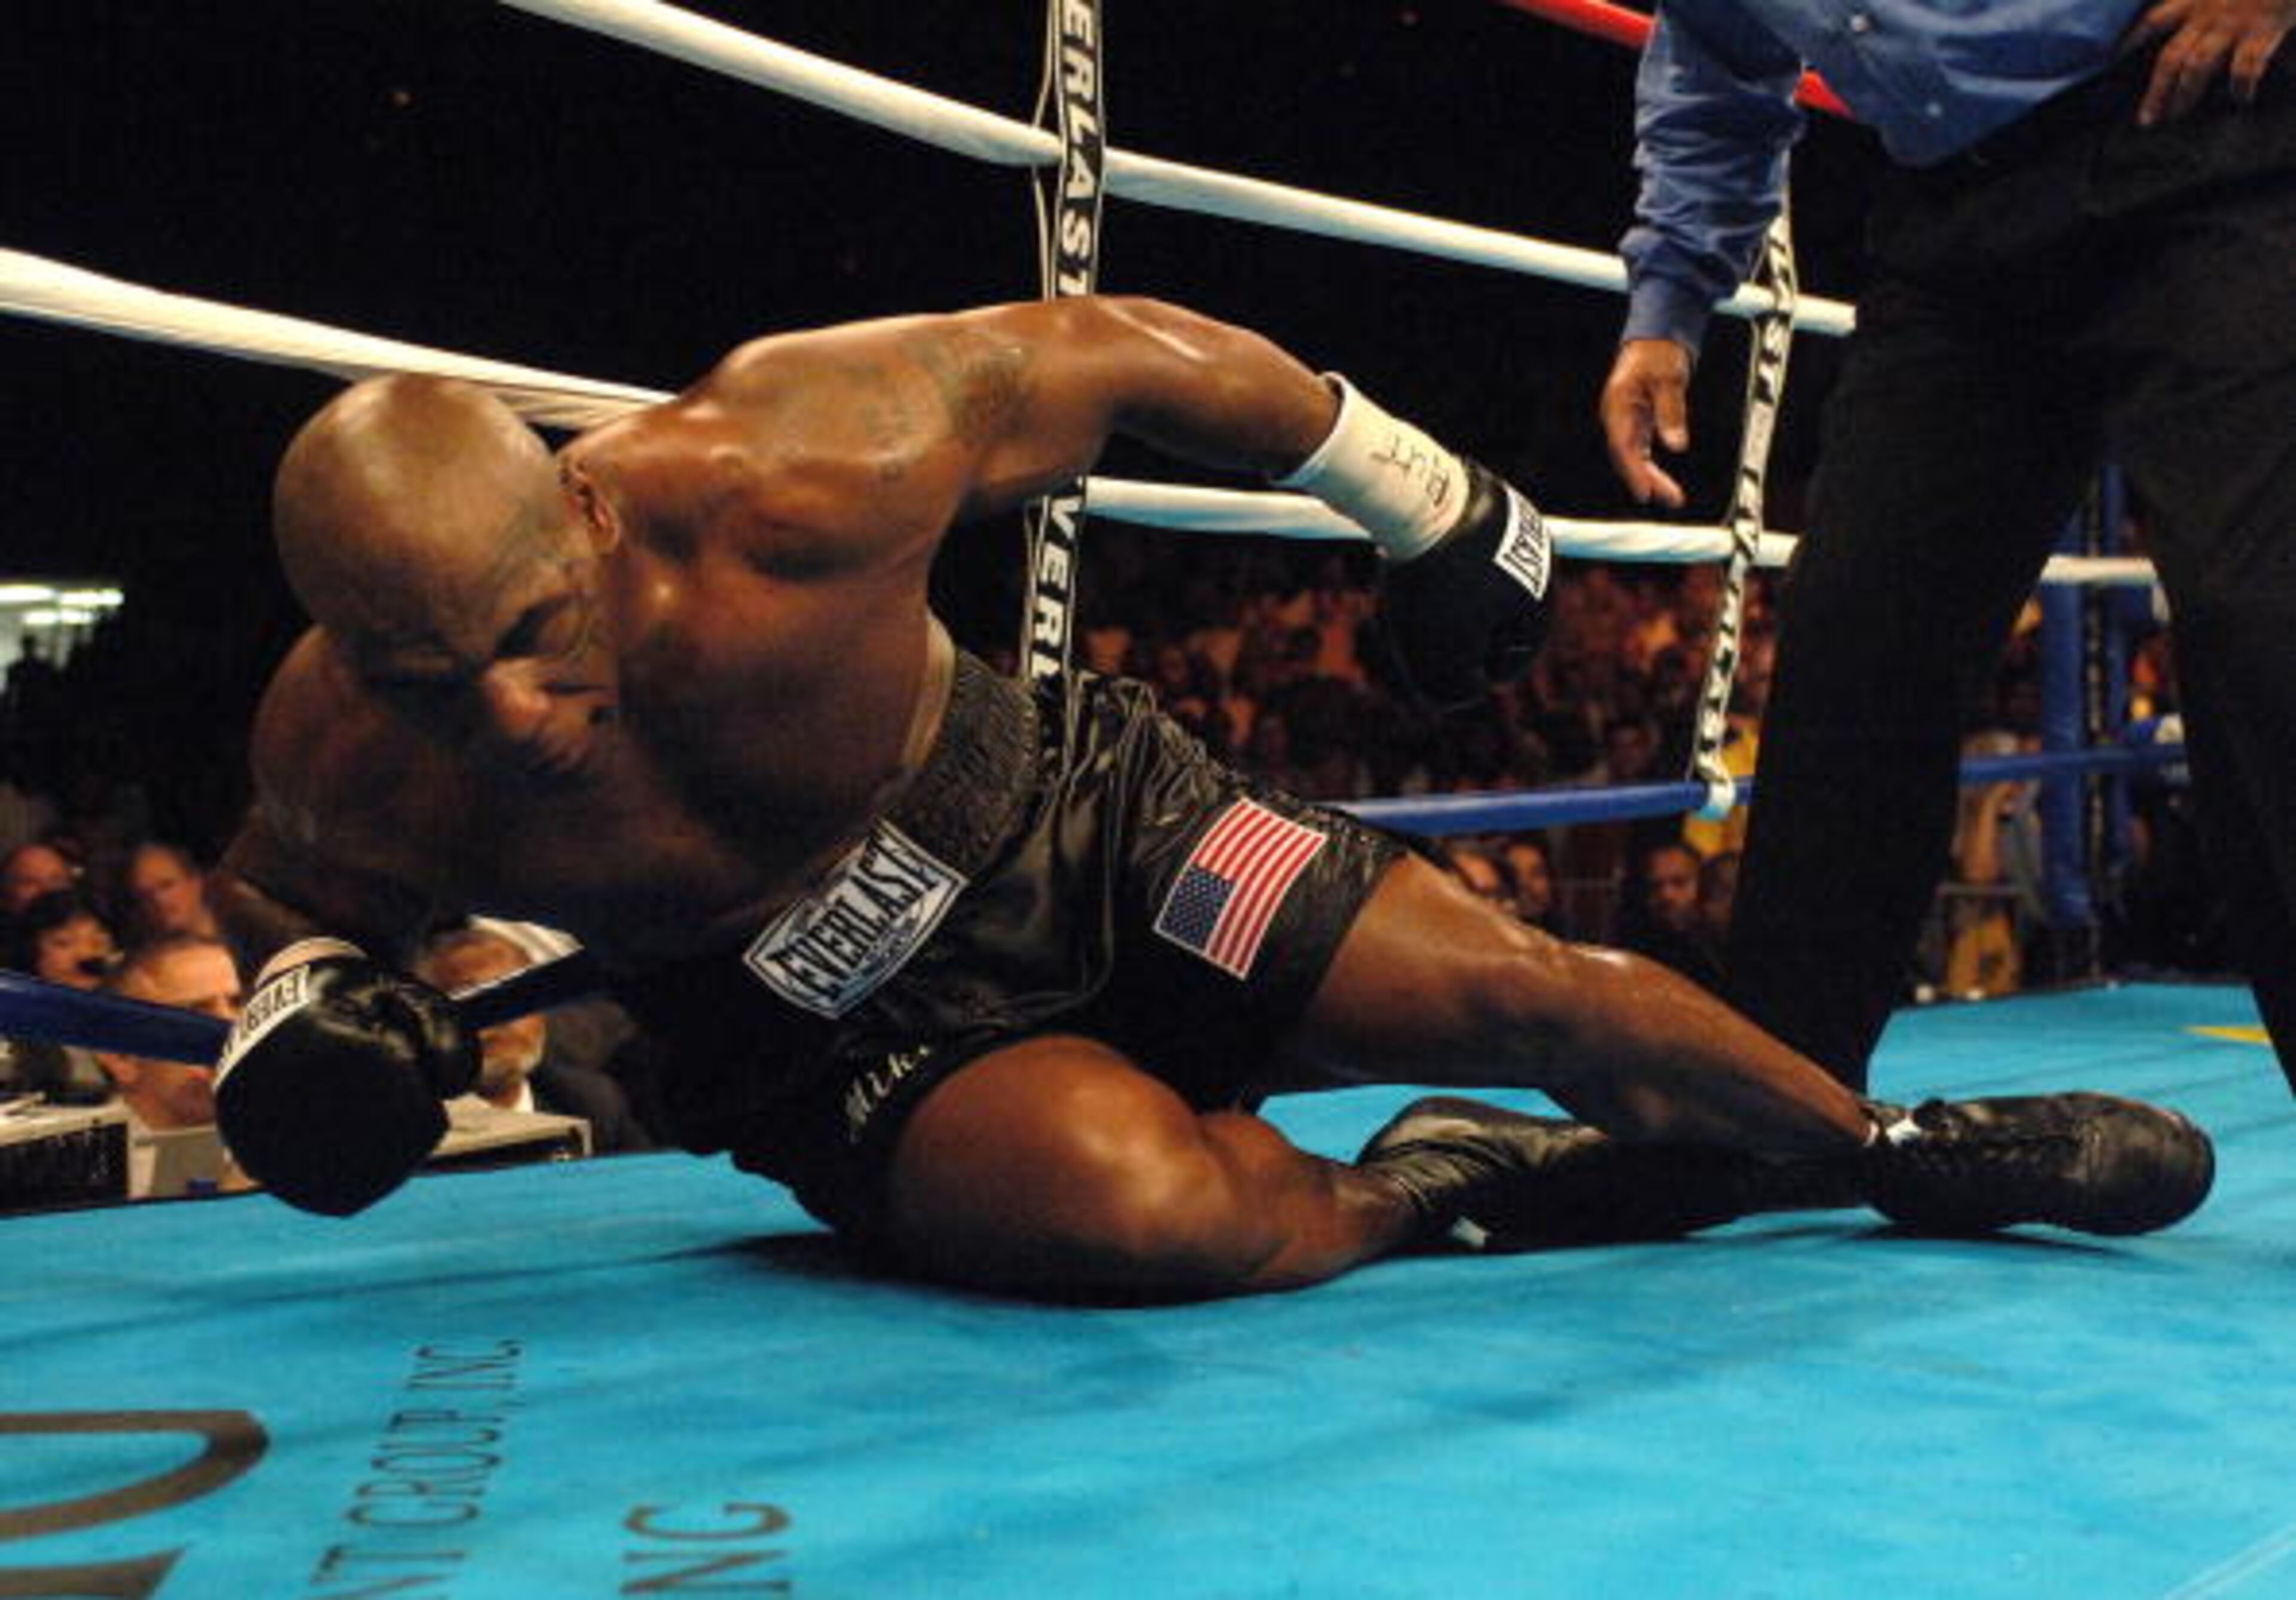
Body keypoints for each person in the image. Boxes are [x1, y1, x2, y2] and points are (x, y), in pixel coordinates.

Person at [206, 297, 2208, 1300]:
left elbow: (1109, 350)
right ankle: (1439, 1187)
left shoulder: (785, 468)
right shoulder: (342, 744)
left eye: (530, 629)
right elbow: (283, 908)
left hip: (1087, 821)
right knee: (1141, 1211)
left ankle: (1899, 1146)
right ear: (344, 650)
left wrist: (1427, 501)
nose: (512, 705)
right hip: (831, 1041)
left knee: (1532, 987)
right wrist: (301, 1013)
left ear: (579, 498)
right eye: (425, 673)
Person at [1599, 0, 2296, 1092]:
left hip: (2197, 135)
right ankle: (1787, 1110)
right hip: (1954, 221)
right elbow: (1718, 56)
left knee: (2266, 618)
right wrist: (1667, 306)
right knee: (1857, 640)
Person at [414, 924, 654, 1153]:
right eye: (478, 999)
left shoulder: (592, 1102)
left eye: (519, 1000)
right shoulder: (408, 1122)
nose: (503, 1017)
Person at [94, 935, 251, 1198]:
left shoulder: (292, 1132)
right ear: (121, 1057)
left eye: (236, 1004)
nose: (230, 1027)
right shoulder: (82, 1169)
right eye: (196, 1012)